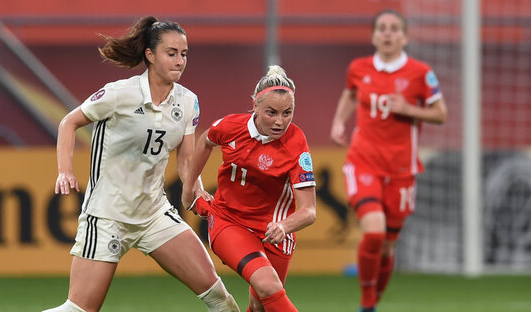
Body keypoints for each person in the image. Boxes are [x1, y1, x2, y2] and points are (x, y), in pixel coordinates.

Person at [43, 16, 240, 312]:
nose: (179, 61)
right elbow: (68, 123)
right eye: (171, 53)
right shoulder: (119, 93)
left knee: (220, 300)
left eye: (184, 54)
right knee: (79, 310)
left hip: (154, 214)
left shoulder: (188, 102)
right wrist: (64, 171)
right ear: (150, 55)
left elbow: (186, 162)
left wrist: (196, 192)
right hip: (108, 215)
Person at [329, 9, 448, 312]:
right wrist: (339, 123)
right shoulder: (359, 67)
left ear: (405, 36)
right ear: (373, 36)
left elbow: (440, 113)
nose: (387, 33)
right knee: (374, 230)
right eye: (381, 28)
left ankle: (373, 300)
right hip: (363, 161)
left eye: (394, 28)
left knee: (387, 246)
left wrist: (410, 109)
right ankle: (368, 304)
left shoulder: (420, 72)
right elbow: (350, 94)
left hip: (401, 170)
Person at [182, 65, 317, 312]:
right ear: (255, 106)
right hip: (229, 222)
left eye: (287, 113)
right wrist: (190, 187)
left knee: (260, 306)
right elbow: (205, 142)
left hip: (274, 232)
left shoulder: (297, 144)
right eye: (271, 113)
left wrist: (284, 226)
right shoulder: (231, 126)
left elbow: (309, 211)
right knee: (268, 285)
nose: (280, 121)